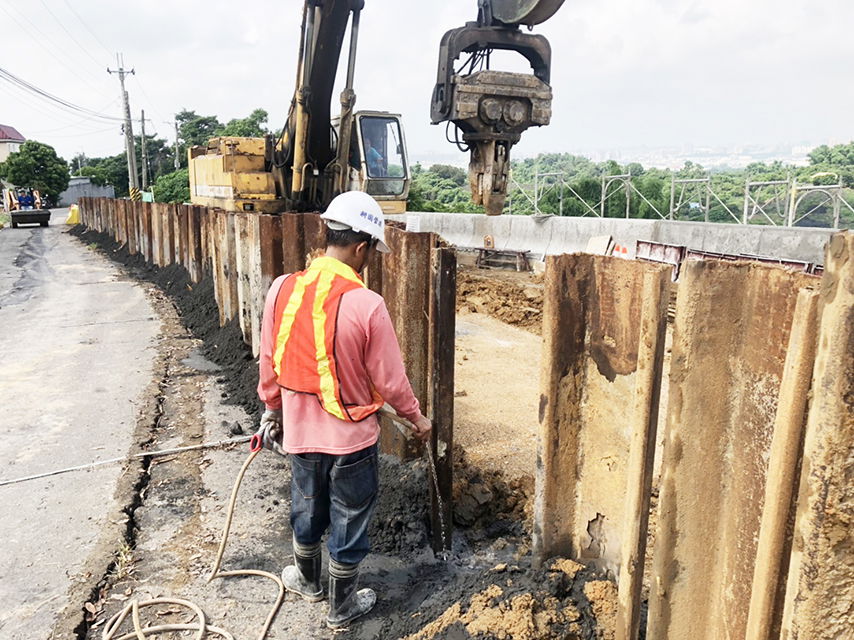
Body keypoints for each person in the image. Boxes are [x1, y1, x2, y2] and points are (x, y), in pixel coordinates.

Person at [255, 190, 432, 629]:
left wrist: (272, 409)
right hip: (353, 441)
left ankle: (309, 581)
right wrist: (416, 418)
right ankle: (342, 607)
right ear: (361, 247)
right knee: (349, 519)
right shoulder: (366, 303)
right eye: (371, 251)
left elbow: (268, 361)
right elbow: (391, 380)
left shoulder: (282, 289)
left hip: (300, 437)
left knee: (306, 507)